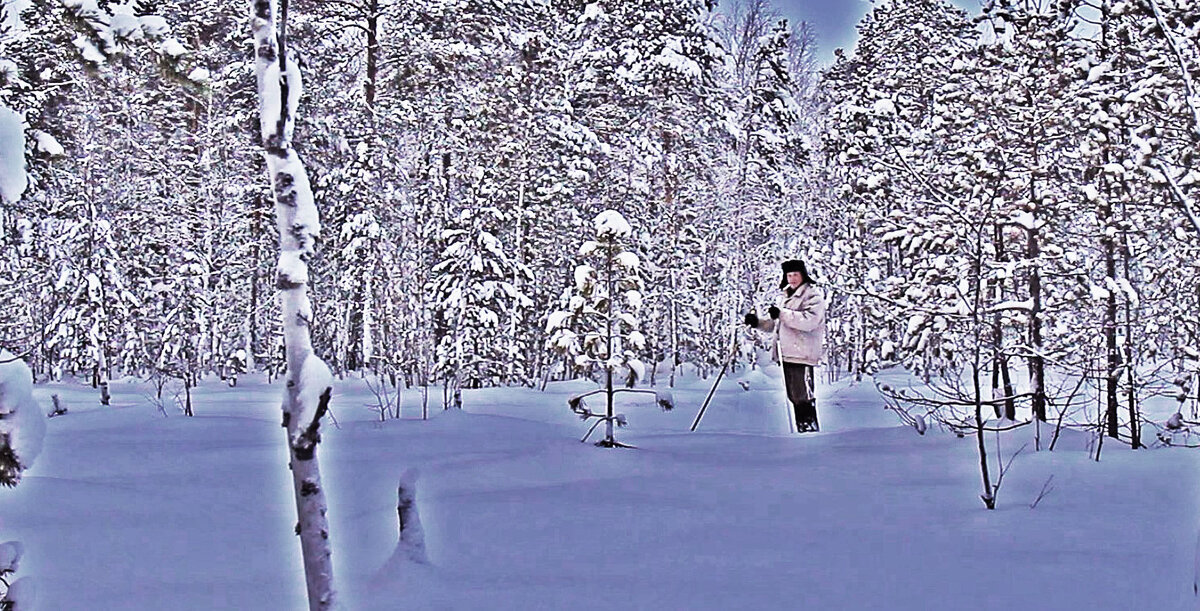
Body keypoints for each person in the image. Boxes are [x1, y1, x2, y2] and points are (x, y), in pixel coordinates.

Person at [743, 259, 827, 433]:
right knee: (795, 396)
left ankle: (810, 432)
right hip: (788, 353)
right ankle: (802, 431)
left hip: (803, 353)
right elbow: (777, 325)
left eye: (796, 274)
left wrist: (783, 314)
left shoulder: (812, 296)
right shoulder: (787, 296)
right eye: (789, 275)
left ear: (803, 275)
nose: (792, 278)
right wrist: (757, 323)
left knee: (803, 395)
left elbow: (810, 321)